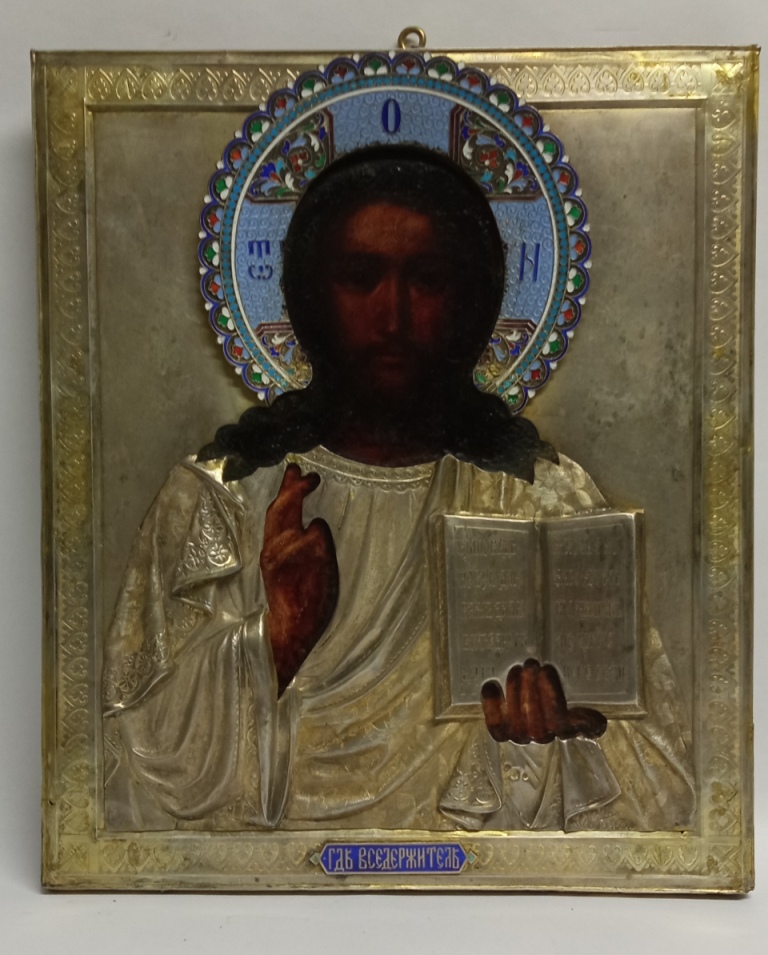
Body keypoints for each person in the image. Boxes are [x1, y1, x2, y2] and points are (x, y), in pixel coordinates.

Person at [102, 147, 695, 833]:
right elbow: (126, 768)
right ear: (308, 299)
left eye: (429, 279)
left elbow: (664, 794)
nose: (393, 315)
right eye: (360, 278)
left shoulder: (543, 500)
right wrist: (276, 639)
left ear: (473, 303)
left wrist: (557, 739)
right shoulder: (220, 497)